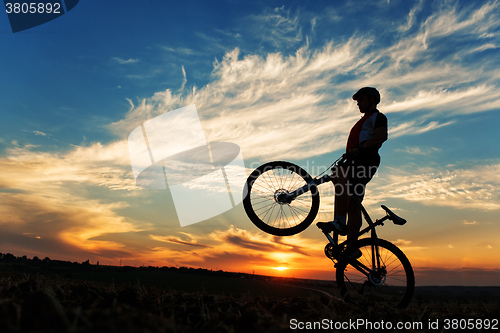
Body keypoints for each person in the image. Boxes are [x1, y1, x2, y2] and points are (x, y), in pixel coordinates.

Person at [317, 87, 388, 243]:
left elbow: (382, 136)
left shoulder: (378, 117)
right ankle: (352, 247)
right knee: (354, 203)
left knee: (340, 174)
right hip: (356, 161)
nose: (358, 104)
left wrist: (361, 148)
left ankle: (340, 222)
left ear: (372, 100)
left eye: (361, 100)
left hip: (366, 160)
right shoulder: (363, 121)